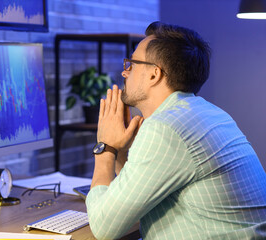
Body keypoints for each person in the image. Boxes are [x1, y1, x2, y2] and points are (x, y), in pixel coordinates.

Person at [86, 21, 266, 240]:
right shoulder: (206, 113)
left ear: (154, 75)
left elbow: (104, 227)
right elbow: (135, 200)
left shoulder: (166, 128)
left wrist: (105, 148)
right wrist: (122, 154)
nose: (125, 73)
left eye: (131, 64)